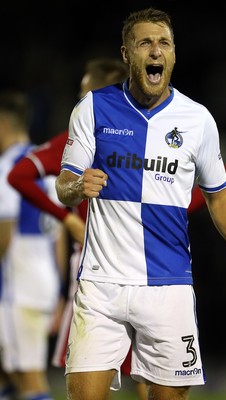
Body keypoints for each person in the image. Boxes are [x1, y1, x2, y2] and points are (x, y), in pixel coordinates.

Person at [55, 7, 226, 400]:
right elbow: (64, 184)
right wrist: (75, 187)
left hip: (168, 285)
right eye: (145, 43)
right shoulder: (93, 108)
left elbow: (219, 195)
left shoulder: (197, 119)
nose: (156, 50)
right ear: (126, 54)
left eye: (164, 43)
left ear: (173, 55)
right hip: (102, 283)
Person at [7, 58, 150, 400]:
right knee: (145, 371)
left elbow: (19, 175)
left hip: (96, 269)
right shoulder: (150, 135)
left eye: (84, 92)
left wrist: (69, 219)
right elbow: (224, 179)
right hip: (147, 266)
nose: (79, 101)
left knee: (92, 371)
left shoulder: (79, 137)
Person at [0, 90, 66, 400]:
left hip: (17, 282)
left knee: (29, 380)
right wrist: (60, 290)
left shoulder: (8, 167)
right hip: (43, 279)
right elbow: (59, 233)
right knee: (10, 375)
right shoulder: (44, 163)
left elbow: (4, 234)